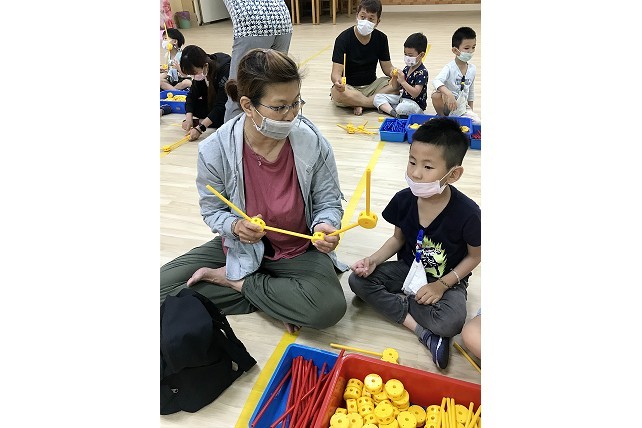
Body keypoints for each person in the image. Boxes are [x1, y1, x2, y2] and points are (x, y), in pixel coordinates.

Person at [160, 48, 349, 334]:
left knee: (328, 307)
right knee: (160, 290)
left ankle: (237, 282)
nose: (291, 115)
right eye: (280, 107)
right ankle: (277, 297)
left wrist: (325, 224)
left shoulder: (311, 141)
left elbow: (328, 201)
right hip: (240, 247)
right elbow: (212, 210)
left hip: (296, 251)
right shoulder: (215, 149)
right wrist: (235, 226)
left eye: (296, 103)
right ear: (248, 106)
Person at [349, 117, 481, 369]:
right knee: (357, 281)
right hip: (408, 268)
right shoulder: (403, 199)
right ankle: (424, 332)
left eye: (428, 167)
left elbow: (475, 256)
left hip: (447, 278)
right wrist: (373, 260)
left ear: (453, 174)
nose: (415, 173)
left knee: (451, 323)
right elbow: (397, 239)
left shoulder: (469, 213)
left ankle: (399, 303)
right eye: (412, 162)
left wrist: (441, 286)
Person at [222, 0, 293, 123]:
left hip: (253, 22)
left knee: (237, 90)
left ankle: (231, 135)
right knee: (275, 85)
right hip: (281, 16)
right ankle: (276, 130)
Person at [330, 0, 397, 116]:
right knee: (336, 93)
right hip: (349, 88)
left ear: (377, 22)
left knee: (396, 85)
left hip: (372, 86)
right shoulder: (343, 39)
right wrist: (338, 82)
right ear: (357, 16)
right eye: (362, 17)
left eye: (371, 19)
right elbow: (335, 73)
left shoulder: (381, 38)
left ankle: (358, 103)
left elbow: (387, 68)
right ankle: (373, 102)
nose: (366, 21)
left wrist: (396, 73)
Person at [179, 45, 231, 141]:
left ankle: (204, 122)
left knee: (226, 117)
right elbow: (191, 96)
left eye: (195, 73)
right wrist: (188, 118)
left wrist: (200, 128)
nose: (194, 77)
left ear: (205, 66)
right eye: (191, 74)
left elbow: (221, 104)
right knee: (193, 107)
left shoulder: (224, 69)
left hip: (226, 105)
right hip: (212, 103)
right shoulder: (200, 72)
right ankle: (205, 121)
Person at [431, 26, 481, 124]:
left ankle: (456, 119)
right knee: (436, 95)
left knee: (477, 123)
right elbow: (436, 81)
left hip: (462, 107)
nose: (471, 51)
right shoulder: (449, 68)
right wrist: (449, 94)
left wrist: (471, 111)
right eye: (466, 48)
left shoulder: (472, 69)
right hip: (448, 106)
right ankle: (442, 119)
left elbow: (471, 93)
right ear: (455, 50)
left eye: (473, 47)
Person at [373, 32, 429, 118]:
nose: (407, 57)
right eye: (405, 54)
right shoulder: (407, 68)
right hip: (402, 99)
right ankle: (394, 113)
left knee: (403, 107)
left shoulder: (422, 72)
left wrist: (403, 82)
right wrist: (394, 77)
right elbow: (395, 87)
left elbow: (415, 93)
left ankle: (399, 111)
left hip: (415, 104)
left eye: (410, 55)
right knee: (377, 97)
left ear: (421, 55)